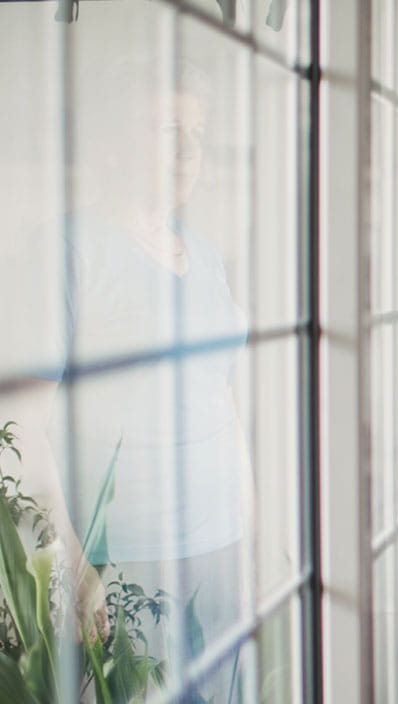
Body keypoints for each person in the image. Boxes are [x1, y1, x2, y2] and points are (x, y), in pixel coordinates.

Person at [0, 60, 251, 701]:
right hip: (128, 567)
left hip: (221, 552)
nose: (190, 150)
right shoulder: (65, 249)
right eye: (169, 128)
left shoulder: (208, 254)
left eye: (199, 131)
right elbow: (18, 425)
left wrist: (254, 525)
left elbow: (224, 396)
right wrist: (71, 568)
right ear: (118, 138)